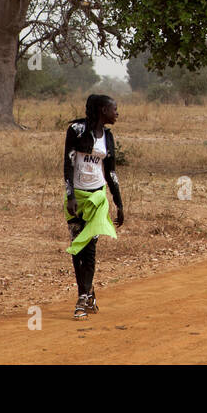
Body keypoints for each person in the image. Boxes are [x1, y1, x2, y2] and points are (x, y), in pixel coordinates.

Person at [63, 94, 125, 319]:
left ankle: (82, 298)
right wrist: (70, 196)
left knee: (89, 249)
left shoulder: (107, 136)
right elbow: (68, 165)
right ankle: (88, 291)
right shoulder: (76, 130)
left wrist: (118, 203)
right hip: (77, 198)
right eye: (114, 109)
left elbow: (111, 172)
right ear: (102, 110)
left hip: (98, 198)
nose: (117, 113)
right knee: (77, 247)